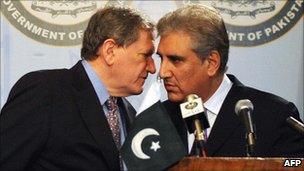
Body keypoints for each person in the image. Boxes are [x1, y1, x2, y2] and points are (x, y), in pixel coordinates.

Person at [0, 6, 156, 170]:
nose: (152, 68)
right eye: (145, 55)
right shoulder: (45, 92)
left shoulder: (129, 114)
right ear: (110, 51)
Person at [156, 5, 304, 157]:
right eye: (161, 58)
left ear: (212, 63)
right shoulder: (157, 119)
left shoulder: (275, 116)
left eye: (175, 60)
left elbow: (295, 164)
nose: (163, 72)